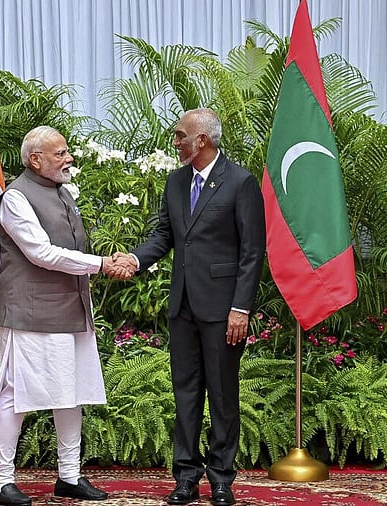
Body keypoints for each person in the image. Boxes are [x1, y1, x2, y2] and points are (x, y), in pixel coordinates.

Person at [116, 108, 266, 506]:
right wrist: (135, 259)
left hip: (222, 310)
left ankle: (221, 479)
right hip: (183, 306)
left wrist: (241, 308)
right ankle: (186, 477)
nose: (176, 141)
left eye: (181, 135)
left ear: (202, 140)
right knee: (185, 394)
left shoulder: (240, 182)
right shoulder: (176, 181)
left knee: (222, 395)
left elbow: (252, 252)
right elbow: (164, 234)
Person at [0, 126, 132, 506]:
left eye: (67, 152)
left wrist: (102, 264)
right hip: (30, 313)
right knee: (16, 393)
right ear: (36, 159)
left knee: (72, 392)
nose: (68, 159)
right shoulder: (15, 198)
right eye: (60, 153)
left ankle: (69, 476)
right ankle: (0, 481)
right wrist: (102, 264)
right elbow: (42, 254)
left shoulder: (62, 192)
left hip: (71, 308)